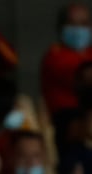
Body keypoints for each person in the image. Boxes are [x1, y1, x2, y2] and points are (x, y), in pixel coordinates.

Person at [41, 3, 92, 156]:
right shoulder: (54, 57)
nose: (79, 29)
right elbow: (85, 77)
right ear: (62, 27)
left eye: (83, 24)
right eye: (73, 24)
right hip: (67, 124)